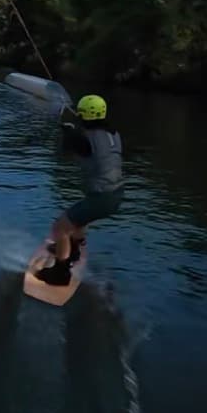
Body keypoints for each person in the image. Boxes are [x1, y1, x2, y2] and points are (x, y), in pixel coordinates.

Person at [35, 93, 123, 286]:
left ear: (83, 115)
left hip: (101, 198)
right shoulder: (113, 133)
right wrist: (73, 133)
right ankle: (73, 249)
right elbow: (94, 149)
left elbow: (64, 155)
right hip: (116, 194)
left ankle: (60, 274)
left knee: (60, 227)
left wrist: (67, 134)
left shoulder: (85, 137)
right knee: (78, 218)